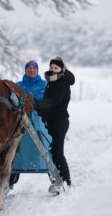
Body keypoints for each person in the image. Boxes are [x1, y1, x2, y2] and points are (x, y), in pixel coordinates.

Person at [36, 57, 75, 192]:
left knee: (58, 152)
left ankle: (66, 182)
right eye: (51, 67)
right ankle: (58, 180)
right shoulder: (52, 82)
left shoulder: (62, 84)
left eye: (56, 68)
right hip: (52, 121)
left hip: (60, 122)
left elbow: (52, 102)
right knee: (52, 151)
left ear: (62, 70)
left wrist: (35, 103)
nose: (52, 70)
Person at [9, 60, 48, 189]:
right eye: (29, 68)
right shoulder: (18, 85)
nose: (31, 70)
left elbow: (45, 99)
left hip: (38, 120)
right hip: (20, 121)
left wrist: (32, 100)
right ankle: (10, 178)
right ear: (25, 70)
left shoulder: (44, 84)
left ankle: (48, 167)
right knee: (15, 147)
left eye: (34, 68)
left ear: (37, 70)